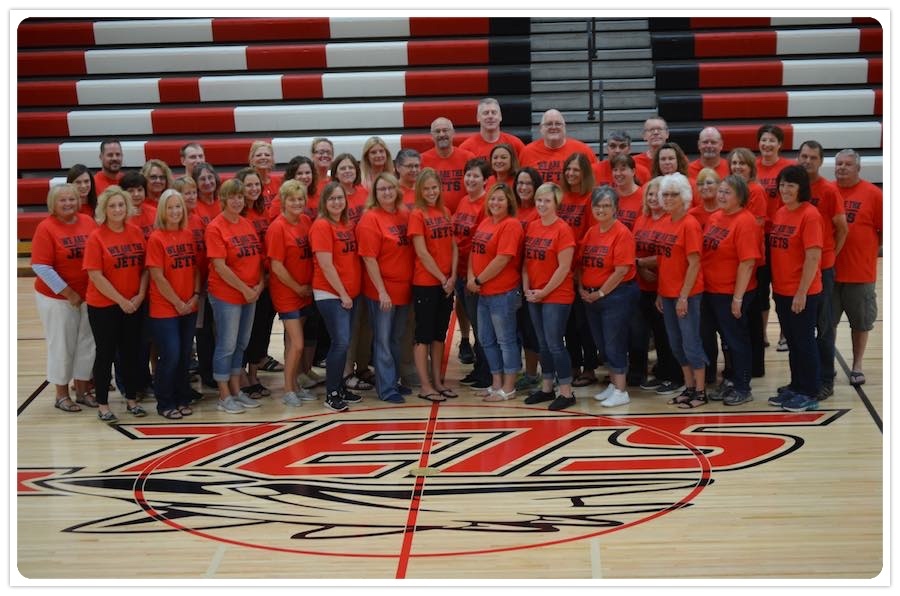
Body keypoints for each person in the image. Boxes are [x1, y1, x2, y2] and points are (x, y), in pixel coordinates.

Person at [83, 186, 149, 422]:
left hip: (133, 304)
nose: (118, 209)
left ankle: (131, 400)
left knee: (131, 354)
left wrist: (139, 296)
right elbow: (95, 276)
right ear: (104, 209)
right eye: (112, 206)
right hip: (104, 306)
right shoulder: (96, 237)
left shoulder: (135, 231)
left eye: (121, 205)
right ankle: (103, 404)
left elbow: (145, 269)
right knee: (106, 355)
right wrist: (121, 300)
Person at [30, 183, 97, 413]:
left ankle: (82, 391)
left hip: (88, 295)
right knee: (62, 345)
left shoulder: (88, 222)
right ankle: (61, 394)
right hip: (57, 298)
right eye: (62, 200)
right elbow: (41, 266)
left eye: (71, 199)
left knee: (87, 344)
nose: (68, 203)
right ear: (53, 204)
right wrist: (69, 293)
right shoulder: (46, 228)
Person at [766, 165, 824, 412]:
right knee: (792, 340)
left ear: (801, 187)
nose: (785, 189)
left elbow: (813, 257)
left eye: (790, 185)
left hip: (803, 292)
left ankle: (810, 391)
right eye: (782, 184)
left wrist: (801, 292)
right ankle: (796, 385)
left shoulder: (810, 215)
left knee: (804, 342)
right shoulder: (780, 212)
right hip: (781, 290)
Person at [204, 178, 264, 414]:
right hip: (226, 294)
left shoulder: (246, 223)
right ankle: (224, 394)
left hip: (249, 294)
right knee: (226, 345)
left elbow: (256, 258)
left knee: (241, 344)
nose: (238, 200)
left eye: (241, 196)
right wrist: (245, 288)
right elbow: (220, 266)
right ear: (223, 199)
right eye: (233, 197)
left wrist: (258, 285)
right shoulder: (215, 227)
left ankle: (237, 390)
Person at [700, 175, 761, 405]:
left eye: (727, 192)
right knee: (724, 341)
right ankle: (730, 381)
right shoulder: (715, 217)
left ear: (740, 197)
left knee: (736, 341)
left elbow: (747, 263)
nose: (721, 195)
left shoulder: (745, 222)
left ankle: (743, 387)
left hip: (731, 293)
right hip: (711, 291)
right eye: (721, 191)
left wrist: (737, 298)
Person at [578, 186, 639, 408]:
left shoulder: (622, 234)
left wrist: (601, 293)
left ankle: (622, 391)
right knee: (602, 344)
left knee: (614, 343)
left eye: (606, 206)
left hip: (616, 295)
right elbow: (581, 263)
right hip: (592, 296)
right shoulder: (592, 232)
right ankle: (614, 384)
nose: (601, 209)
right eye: (598, 205)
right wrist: (581, 288)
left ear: (616, 209)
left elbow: (621, 270)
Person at [796, 140, 848, 400]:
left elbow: (842, 227)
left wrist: (830, 256)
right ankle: (804, 378)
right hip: (799, 269)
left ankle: (826, 379)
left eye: (812, 157)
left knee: (823, 327)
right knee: (802, 329)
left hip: (822, 269)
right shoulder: (795, 187)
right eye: (803, 156)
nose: (807, 161)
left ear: (820, 161)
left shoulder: (828, 190)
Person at [357, 172, 415, 404]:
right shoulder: (370, 218)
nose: (387, 193)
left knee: (396, 338)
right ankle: (386, 388)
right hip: (382, 291)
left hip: (404, 290)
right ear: (375, 193)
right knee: (382, 340)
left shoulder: (404, 214)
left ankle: (394, 381)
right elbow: (369, 259)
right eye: (382, 189)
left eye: (390, 188)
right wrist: (381, 291)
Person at [522, 182, 577, 410]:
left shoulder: (563, 229)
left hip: (556, 295)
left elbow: (563, 268)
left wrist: (543, 292)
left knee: (555, 344)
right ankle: (547, 387)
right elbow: (526, 263)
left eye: (547, 201)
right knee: (542, 344)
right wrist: (527, 289)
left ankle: (566, 392)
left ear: (556, 204)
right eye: (539, 200)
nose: (542, 204)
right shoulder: (533, 226)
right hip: (535, 294)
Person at [310, 181, 364, 412]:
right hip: (330, 293)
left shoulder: (346, 224)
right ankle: (331, 393)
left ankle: (340, 387)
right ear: (324, 201)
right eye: (332, 198)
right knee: (340, 342)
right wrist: (343, 293)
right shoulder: (322, 226)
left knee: (344, 343)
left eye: (340, 198)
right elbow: (326, 265)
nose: (337, 202)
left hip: (347, 294)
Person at [468, 182, 524, 401]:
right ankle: (496, 383)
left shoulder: (511, 225)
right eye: (492, 198)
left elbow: (503, 259)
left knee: (506, 340)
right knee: (486, 339)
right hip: (484, 293)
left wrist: (479, 279)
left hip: (503, 293)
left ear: (509, 201)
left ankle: (509, 387)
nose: (495, 202)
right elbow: (474, 251)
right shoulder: (485, 222)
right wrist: (472, 277)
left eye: (500, 199)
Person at [655, 173, 707, 409]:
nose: (668, 198)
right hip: (666, 294)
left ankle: (701, 391)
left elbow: (695, 263)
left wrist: (684, 296)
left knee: (691, 343)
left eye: (673, 194)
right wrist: (659, 292)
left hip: (687, 295)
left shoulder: (690, 224)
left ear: (684, 197)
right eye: (664, 194)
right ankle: (688, 387)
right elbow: (663, 262)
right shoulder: (664, 222)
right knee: (676, 344)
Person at [146, 189, 200, 419]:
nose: (176, 211)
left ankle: (182, 396)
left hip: (189, 304)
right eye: (171, 207)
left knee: (185, 354)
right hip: (165, 307)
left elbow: (196, 268)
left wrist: (195, 295)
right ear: (163, 211)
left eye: (178, 206)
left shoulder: (188, 234)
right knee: (171, 354)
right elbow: (157, 276)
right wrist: (178, 302)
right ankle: (165, 402)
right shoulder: (156, 238)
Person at [832, 149, 882, 386]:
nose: (842, 167)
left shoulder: (873, 194)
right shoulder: (827, 191)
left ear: (858, 168)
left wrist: (867, 251)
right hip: (829, 273)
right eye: (839, 163)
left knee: (860, 323)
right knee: (825, 324)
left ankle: (857, 365)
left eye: (848, 164)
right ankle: (825, 366)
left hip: (860, 274)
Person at [408, 168, 459, 401]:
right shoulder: (418, 214)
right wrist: (441, 278)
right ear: (420, 190)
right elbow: (421, 252)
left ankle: (438, 381)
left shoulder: (446, 211)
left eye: (434, 187)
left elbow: (453, 247)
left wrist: (453, 276)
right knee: (424, 336)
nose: (431, 192)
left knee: (439, 335)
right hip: (427, 282)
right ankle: (425, 385)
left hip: (447, 283)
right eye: (426, 188)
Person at [631, 178, 684, 394]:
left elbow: (666, 254)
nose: (654, 198)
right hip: (641, 286)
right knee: (642, 332)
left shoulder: (670, 220)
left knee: (666, 335)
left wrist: (642, 263)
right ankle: (658, 372)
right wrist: (640, 266)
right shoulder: (641, 218)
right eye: (650, 194)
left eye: (658, 194)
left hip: (665, 288)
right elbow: (633, 250)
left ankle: (674, 376)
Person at [267, 179, 317, 407]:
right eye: (292, 199)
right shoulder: (277, 227)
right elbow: (276, 266)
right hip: (287, 293)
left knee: (292, 344)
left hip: (305, 291)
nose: (297, 203)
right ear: (283, 202)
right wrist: (297, 287)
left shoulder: (306, 221)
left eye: (300, 199)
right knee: (297, 344)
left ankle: (295, 385)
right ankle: (288, 389)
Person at [330, 152, 374, 389]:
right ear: (335, 172)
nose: (347, 171)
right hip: (344, 267)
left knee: (365, 324)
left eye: (351, 168)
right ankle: (346, 372)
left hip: (365, 266)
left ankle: (363, 366)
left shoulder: (365, 194)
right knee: (349, 327)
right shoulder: (333, 197)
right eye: (343, 168)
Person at [234, 167, 277, 398]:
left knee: (261, 330)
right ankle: (240, 375)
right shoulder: (237, 216)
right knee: (244, 334)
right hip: (245, 283)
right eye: (248, 185)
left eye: (256, 185)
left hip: (266, 280)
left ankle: (254, 373)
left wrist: (267, 277)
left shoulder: (264, 212)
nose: (253, 189)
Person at [729, 147, 771, 374]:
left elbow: (755, 225)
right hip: (736, 262)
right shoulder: (733, 191)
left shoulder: (755, 190)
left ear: (751, 168)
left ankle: (756, 366)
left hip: (754, 262)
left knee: (752, 316)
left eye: (741, 163)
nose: (737, 167)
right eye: (733, 163)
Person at [558, 151, 599, 388]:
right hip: (562, 270)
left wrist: (578, 270)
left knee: (585, 323)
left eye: (576, 170)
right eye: (568, 169)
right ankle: (573, 364)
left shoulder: (591, 197)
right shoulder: (560, 196)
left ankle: (590, 367)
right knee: (568, 323)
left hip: (582, 269)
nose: (571, 174)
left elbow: (592, 237)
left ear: (585, 173)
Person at [452, 158, 492, 389]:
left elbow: (482, 244)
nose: (470, 179)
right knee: (475, 324)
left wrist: (474, 276)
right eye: (468, 174)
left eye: (476, 176)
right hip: (460, 273)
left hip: (474, 275)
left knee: (481, 327)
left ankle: (487, 372)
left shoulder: (486, 204)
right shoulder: (464, 201)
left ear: (486, 180)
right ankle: (479, 369)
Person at [512, 166, 543, 390]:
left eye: (528, 184)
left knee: (533, 330)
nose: (523, 188)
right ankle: (527, 372)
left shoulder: (539, 211)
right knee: (518, 330)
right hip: (508, 278)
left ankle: (536, 374)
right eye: (520, 183)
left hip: (532, 279)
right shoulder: (511, 209)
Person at [519, 109, 597, 184]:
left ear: (564, 127)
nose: (553, 127)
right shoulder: (527, 152)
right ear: (541, 128)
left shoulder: (583, 150)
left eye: (558, 124)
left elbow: (594, 179)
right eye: (549, 124)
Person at [421, 117, 475, 213]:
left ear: (453, 132)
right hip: (434, 217)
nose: (441, 134)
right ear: (431, 136)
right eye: (437, 131)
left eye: (445, 130)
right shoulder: (422, 160)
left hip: (464, 215)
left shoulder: (468, 157)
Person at [458, 97, 526, 160]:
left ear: (500, 117)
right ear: (478, 118)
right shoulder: (466, 148)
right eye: (486, 113)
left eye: (494, 112)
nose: (490, 116)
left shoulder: (516, 144)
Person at [271, 155, 319, 221]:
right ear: (292, 176)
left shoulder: (317, 194)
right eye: (299, 173)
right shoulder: (282, 198)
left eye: (307, 173)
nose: (304, 176)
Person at [609, 154, 644, 230]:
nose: (618, 173)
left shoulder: (644, 197)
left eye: (622, 169)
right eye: (615, 170)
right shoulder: (608, 196)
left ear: (633, 171)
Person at [249, 140, 282, 210]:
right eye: (259, 155)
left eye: (267, 155)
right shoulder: (246, 183)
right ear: (252, 160)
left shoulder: (280, 182)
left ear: (272, 160)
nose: (263, 157)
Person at [192, 162, 222, 227]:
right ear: (196, 183)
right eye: (202, 179)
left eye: (210, 177)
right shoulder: (192, 206)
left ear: (215, 179)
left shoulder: (224, 202)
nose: (207, 182)